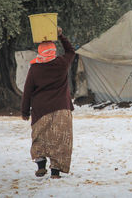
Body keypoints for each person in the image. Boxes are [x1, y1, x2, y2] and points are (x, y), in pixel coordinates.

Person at [21, 26, 75, 179]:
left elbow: (27, 91)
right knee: (60, 139)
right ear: (54, 51)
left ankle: (41, 166)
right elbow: (71, 51)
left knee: (40, 138)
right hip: (61, 109)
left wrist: (24, 111)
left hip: (40, 110)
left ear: (40, 52)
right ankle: (55, 172)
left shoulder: (35, 68)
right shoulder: (62, 63)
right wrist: (61, 36)